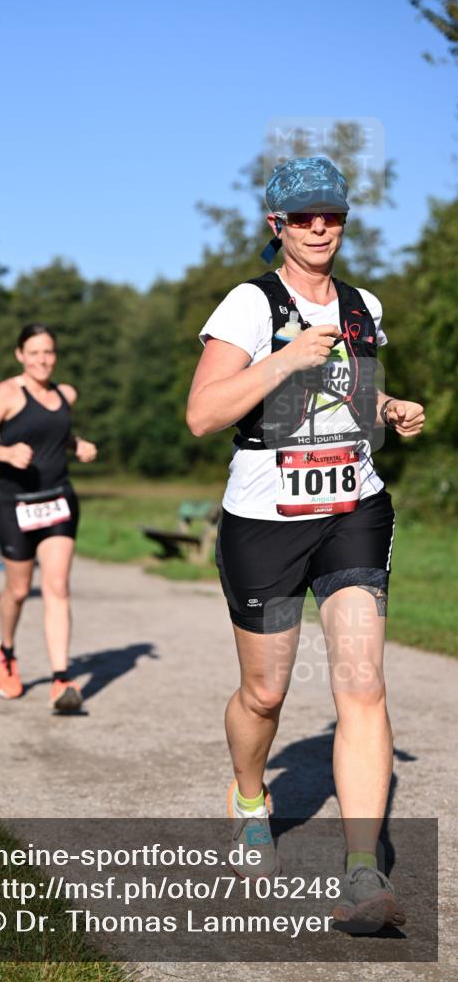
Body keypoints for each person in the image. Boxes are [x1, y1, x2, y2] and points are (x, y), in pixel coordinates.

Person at [186, 156, 425, 931]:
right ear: (276, 225)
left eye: (331, 215)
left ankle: (361, 873)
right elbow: (202, 414)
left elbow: (347, 395)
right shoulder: (249, 304)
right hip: (266, 519)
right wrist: (285, 356)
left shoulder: (361, 305)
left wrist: (387, 406)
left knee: (361, 685)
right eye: (303, 217)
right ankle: (248, 797)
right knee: (265, 692)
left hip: (352, 506)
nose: (319, 228)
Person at [0, 323, 97, 712]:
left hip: (57, 499)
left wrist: (79, 445)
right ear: (20, 355)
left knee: (57, 587)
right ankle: (6, 652)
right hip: (14, 503)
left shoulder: (65, 394)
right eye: (34, 352)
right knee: (19, 590)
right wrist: (6, 454)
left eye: (48, 352)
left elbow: (56, 435)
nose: (43, 360)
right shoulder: (7, 393)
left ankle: (61, 679)